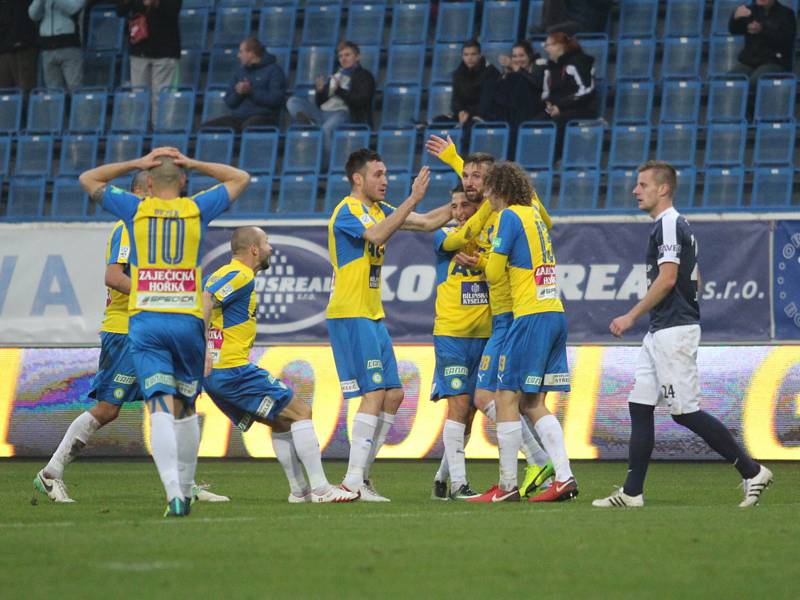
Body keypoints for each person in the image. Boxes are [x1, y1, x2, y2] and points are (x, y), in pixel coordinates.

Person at [34, 171, 229, 505]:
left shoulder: (160, 230)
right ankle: (51, 473)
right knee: (109, 409)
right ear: (142, 191)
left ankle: (186, 485)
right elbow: (113, 275)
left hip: (152, 325)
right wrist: (156, 291)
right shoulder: (129, 226)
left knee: (181, 404)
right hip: (126, 329)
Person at [79, 148, 250, 516]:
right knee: (185, 407)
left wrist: (134, 164)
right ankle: (186, 490)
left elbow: (88, 180)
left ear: (150, 183)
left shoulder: (136, 210)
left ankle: (173, 492)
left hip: (147, 322)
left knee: (157, 404)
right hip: (186, 322)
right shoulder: (196, 208)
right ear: (184, 181)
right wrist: (196, 162)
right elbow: (240, 178)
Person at [593, 161, 773, 509]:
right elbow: (695, 278)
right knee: (639, 404)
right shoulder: (674, 226)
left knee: (684, 411)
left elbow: (669, 278)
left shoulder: (671, 224)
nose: (635, 190)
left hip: (673, 331)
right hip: (662, 328)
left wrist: (631, 315)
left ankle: (752, 471)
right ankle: (632, 492)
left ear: (663, 189)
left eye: (642, 184)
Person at [425, 138, 555, 500]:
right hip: (454, 332)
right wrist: (456, 162)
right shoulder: (451, 233)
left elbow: (543, 220)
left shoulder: (505, 217)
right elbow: (457, 235)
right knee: (468, 404)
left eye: (475, 180)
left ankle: (454, 480)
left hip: (501, 323)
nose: (466, 191)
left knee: (487, 402)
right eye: (456, 200)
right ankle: (472, 478)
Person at [327, 149, 452, 501]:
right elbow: (378, 236)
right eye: (378, 174)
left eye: (386, 174)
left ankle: (361, 477)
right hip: (350, 312)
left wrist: (464, 208)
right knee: (374, 393)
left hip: (372, 314)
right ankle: (352, 482)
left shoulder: (377, 210)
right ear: (358, 179)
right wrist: (412, 199)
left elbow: (426, 223)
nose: (385, 180)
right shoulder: (348, 211)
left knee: (393, 394)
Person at [202, 227, 357, 503]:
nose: (270, 248)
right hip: (232, 369)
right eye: (266, 243)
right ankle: (321, 488)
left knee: (282, 420)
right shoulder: (239, 274)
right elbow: (205, 299)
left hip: (221, 374)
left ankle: (299, 491)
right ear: (253, 249)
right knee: (301, 411)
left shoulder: (228, 273)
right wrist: (202, 349)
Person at [467, 162, 576, 503]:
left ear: (498, 189)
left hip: (529, 316)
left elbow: (497, 273)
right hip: (554, 313)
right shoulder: (535, 216)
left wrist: (485, 259)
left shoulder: (509, 218)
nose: (485, 196)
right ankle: (564, 477)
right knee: (532, 401)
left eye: (487, 189)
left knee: (505, 396)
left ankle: (507, 485)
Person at [428, 184, 491, 501]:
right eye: (453, 206)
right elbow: (458, 237)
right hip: (451, 334)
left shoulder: (491, 240)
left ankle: (442, 478)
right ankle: (459, 485)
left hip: (484, 337)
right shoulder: (444, 238)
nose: (458, 212)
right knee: (459, 405)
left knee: (469, 414)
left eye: (464, 205)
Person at [286, 41, 375, 166]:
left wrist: (339, 90)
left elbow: (360, 101)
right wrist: (320, 91)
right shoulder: (336, 76)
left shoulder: (364, 76)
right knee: (293, 101)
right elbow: (320, 103)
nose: (343, 59)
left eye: (347, 55)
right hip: (323, 112)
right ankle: (311, 123)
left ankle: (327, 166)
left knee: (326, 130)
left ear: (357, 57)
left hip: (343, 113)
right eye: (341, 56)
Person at [115, 0, 181, 125]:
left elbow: (173, 11)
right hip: (139, 50)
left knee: (162, 97)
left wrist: (155, 3)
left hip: (166, 50)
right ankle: (139, 133)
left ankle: (161, 134)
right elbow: (120, 10)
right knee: (139, 96)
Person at [199, 37, 286, 132]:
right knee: (206, 128)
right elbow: (229, 102)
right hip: (238, 118)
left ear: (251, 53)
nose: (238, 55)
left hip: (265, 117)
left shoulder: (274, 70)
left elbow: (275, 100)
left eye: (241, 52)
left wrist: (251, 91)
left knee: (248, 127)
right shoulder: (239, 72)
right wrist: (238, 93)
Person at [536, 29, 598, 162]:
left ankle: (554, 160)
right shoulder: (550, 67)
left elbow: (586, 90)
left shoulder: (578, 62)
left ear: (560, 46)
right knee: (535, 123)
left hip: (581, 108)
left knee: (557, 123)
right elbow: (546, 93)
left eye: (549, 45)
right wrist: (549, 104)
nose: (545, 48)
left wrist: (560, 106)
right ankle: (535, 162)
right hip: (558, 108)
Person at [728, 1, 796, 85]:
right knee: (729, 79)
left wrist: (762, 30)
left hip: (775, 62)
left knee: (755, 81)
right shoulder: (750, 11)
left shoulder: (786, 14)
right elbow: (735, 30)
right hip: (750, 61)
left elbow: (786, 41)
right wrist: (735, 18)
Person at [28, 0, 84, 91]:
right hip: (47, 47)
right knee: (53, 91)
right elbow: (33, 15)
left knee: (75, 88)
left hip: (69, 46)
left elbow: (73, 9)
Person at [449, 40, 500, 130]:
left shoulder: (491, 73)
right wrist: (460, 111)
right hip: (463, 114)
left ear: (480, 55)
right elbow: (455, 100)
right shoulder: (458, 74)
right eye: (466, 55)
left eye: (473, 54)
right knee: (438, 122)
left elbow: (486, 103)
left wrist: (468, 113)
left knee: (469, 127)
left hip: (483, 115)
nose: (469, 58)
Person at [0, 0, 38, 93]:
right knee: (5, 92)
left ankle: (25, 107)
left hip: (23, 48)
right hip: (4, 49)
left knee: (25, 89)